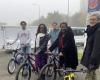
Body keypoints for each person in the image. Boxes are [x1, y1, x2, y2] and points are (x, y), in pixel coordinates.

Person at [81, 14, 100, 80]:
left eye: (94, 19)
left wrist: (92, 62)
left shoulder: (98, 31)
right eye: (90, 19)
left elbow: (96, 48)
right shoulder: (92, 30)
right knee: (93, 75)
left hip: (92, 60)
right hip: (90, 58)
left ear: (98, 20)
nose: (91, 21)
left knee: (88, 77)